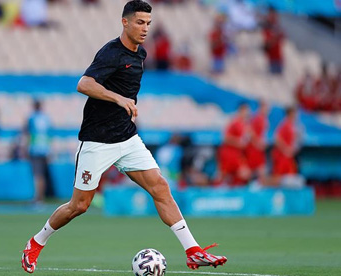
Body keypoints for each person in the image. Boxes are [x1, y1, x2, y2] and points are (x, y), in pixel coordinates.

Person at [20, 1, 227, 273]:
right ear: (125, 22)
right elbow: (84, 83)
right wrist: (118, 99)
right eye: (140, 22)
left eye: (148, 24)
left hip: (127, 139)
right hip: (96, 141)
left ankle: (193, 251)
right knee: (79, 205)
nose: (145, 28)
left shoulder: (141, 55)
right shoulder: (110, 53)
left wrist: (126, 109)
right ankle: (36, 242)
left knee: (160, 188)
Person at [217, 102, 251, 186]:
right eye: (246, 110)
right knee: (224, 175)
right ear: (241, 110)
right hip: (229, 153)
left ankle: (233, 191)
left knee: (241, 175)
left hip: (237, 154)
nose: (248, 113)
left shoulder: (244, 124)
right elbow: (225, 138)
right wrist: (238, 142)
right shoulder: (234, 122)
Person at [25, 99, 52, 203]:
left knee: (37, 174)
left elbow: (28, 134)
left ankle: (37, 198)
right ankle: (41, 197)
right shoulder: (46, 118)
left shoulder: (31, 118)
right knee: (42, 175)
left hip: (35, 149)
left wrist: (26, 148)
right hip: (44, 149)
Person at [271, 107, 300, 186]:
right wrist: (285, 149)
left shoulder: (292, 125)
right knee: (278, 178)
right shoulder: (285, 124)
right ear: (290, 114)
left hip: (288, 157)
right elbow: (277, 138)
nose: (297, 115)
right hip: (282, 157)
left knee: (289, 176)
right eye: (295, 113)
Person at [245, 100, 268, 184]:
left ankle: (258, 186)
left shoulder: (263, 118)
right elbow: (250, 131)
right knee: (255, 170)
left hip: (258, 149)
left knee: (260, 170)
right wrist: (257, 142)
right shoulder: (257, 117)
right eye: (266, 107)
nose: (268, 109)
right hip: (254, 149)